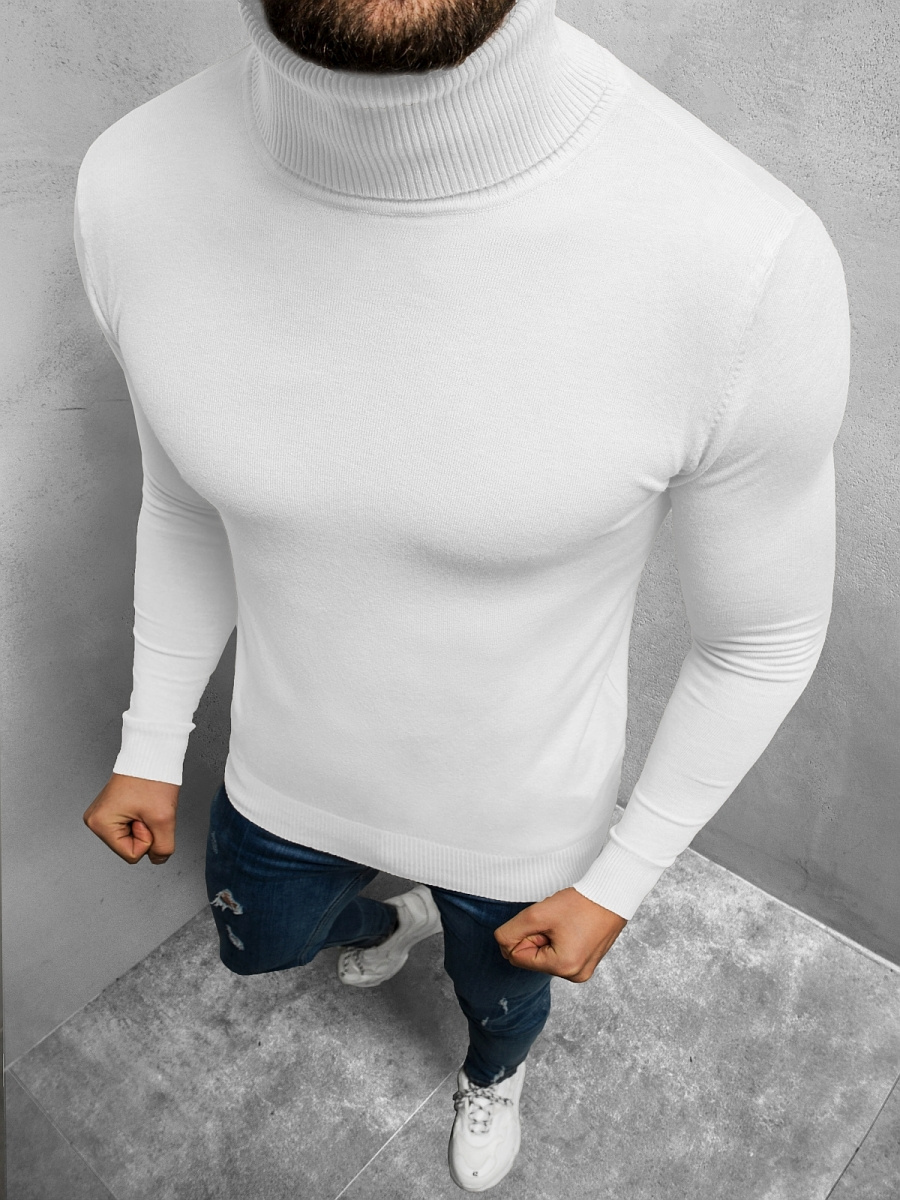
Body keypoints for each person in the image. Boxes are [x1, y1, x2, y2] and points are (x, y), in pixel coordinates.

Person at [77, 0, 851, 1189]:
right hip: (284, 773)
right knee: (263, 947)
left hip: (523, 820)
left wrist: (622, 878)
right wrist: (151, 738)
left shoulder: (738, 255)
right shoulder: (131, 182)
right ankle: (382, 917)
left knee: (500, 1003)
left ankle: (493, 1072)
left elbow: (761, 640)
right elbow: (187, 500)